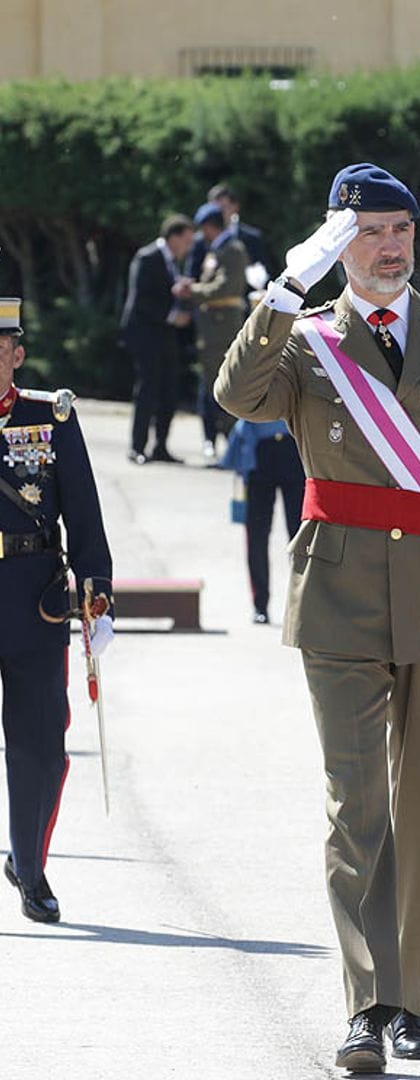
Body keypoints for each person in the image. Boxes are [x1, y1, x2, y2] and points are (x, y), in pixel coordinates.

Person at [214, 163, 420, 1072]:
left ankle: (413, 1000)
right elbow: (237, 397)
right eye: (368, 233)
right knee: (357, 806)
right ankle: (366, 1004)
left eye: (399, 230)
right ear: (336, 242)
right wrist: (284, 290)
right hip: (340, 597)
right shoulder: (309, 340)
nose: (389, 247)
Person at [0, 298, 113, 923]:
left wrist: (97, 591)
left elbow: (84, 512)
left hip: (31, 595)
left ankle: (30, 862)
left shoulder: (52, 418)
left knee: (40, 746)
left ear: (16, 356)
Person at [120, 214, 194, 465]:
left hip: (165, 334)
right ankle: (137, 446)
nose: (188, 246)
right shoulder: (148, 257)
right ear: (173, 237)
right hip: (145, 332)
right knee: (147, 389)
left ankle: (161, 445)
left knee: (169, 389)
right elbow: (140, 300)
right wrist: (172, 316)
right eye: (186, 240)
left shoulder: (172, 261)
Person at [177, 203, 250, 461]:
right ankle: (231, 447)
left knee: (225, 389)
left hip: (222, 331)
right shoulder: (218, 249)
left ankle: (236, 448)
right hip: (212, 331)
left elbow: (226, 287)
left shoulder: (232, 249)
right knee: (213, 388)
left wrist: (192, 291)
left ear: (210, 227)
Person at [220, 419, 305, 624]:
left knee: (301, 535)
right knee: (256, 535)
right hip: (259, 449)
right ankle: (260, 605)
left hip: (293, 447)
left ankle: (303, 602)